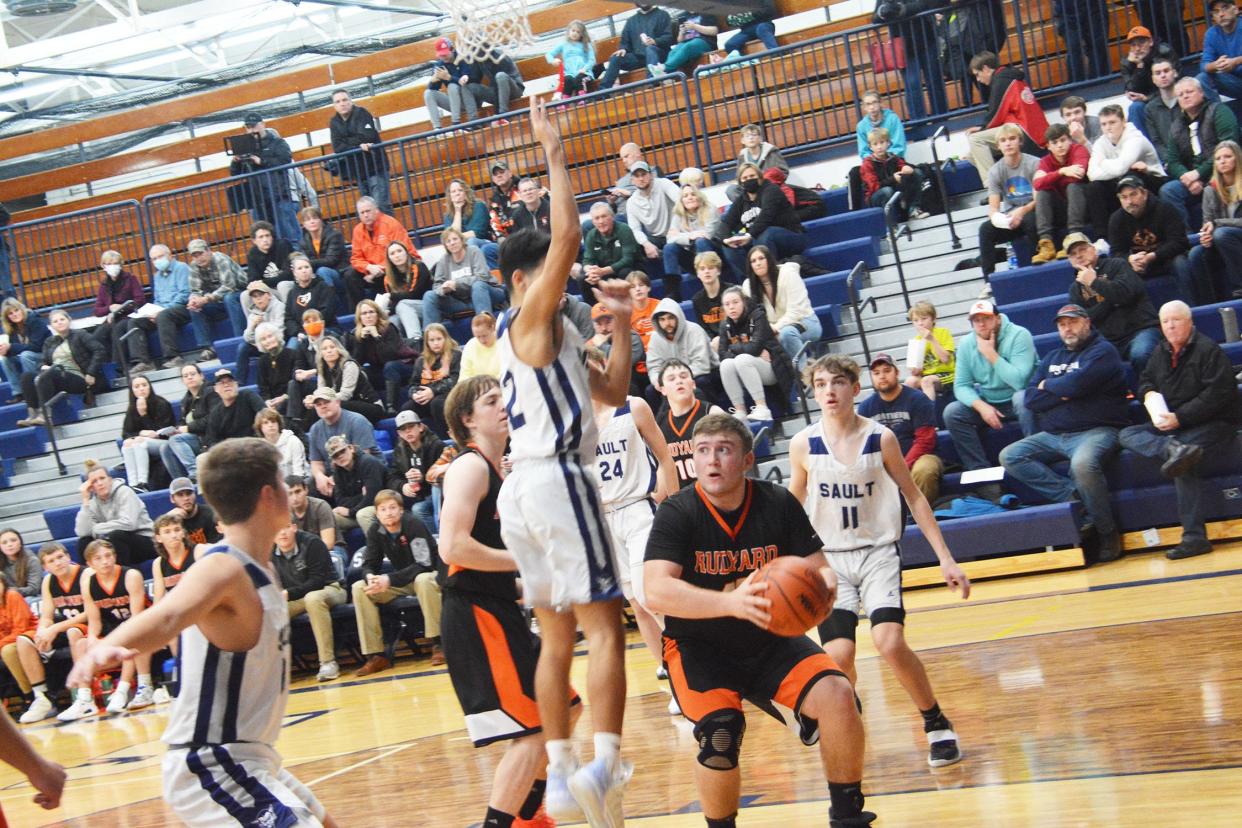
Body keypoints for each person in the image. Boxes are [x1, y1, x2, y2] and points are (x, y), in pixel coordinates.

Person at [66, 438, 340, 827]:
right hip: (212, 759)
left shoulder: (260, 566)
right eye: (282, 482)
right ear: (268, 495)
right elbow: (167, 615)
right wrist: (105, 647)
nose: (289, 490)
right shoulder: (224, 567)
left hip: (248, 757)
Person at [495, 99, 637, 823]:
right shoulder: (527, 316)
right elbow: (569, 235)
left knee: (557, 635)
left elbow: (613, 389)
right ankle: (604, 763)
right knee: (605, 627)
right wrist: (552, 151)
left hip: (526, 489)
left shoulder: (544, 345)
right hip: (555, 478)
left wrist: (622, 323)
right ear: (523, 281)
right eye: (544, 272)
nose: (560, 281)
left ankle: (558, 773)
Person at [644, 412, 876, 828]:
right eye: (702, 451)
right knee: (720, 733)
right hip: (699, 647)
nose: (712, 460)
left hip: (770, 638)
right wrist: (730, 604)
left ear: (748, 460)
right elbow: (655, 591)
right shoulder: (678, 512)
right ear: (692, 460)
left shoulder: (776, 501)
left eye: (724, 450)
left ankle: (848, 817)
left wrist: (822, 589)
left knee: (839, 696)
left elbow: (820, 568)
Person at [791, 354, 969, 770]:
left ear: (855, 388)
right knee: (837, 656)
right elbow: (792, 506)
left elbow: (914, 497)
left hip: (877, 553)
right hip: (830, 560)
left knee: (888, 641)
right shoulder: (804, 444)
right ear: (813, 392)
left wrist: (946, 559)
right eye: (820, 384)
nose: (829, 391)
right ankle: (845, 711)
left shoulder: (881, 438)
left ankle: (936, 722)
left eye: (837, 382)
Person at [438, 375, 577, 827]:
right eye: (491, 401)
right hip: (474, 615)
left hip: (497, 607)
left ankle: (528, 815)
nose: (504, 406)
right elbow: (453, 549)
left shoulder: (505, 472)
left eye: (504, 398)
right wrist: (525, 559)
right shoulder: (470, 467)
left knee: (566, 706)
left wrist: (535, 582)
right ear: (467, 420)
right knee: (535, 729)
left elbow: (492, 563)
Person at [1001, 304, 1130, 563]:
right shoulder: (1052, 358)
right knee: (1010, 456)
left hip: (1098, 430)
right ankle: (1073, 497)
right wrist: (1065, 391)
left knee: (1083, 464)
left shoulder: (1103, 351)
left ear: (1087, 322)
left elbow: (1077, 384)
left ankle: (1107, 532)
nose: (1066, 328)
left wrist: (1050, 386)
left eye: (1071, 322)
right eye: (1061, 324)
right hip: (1055, 435)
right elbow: (1032, 399)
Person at [1119, 300, 1242, 559]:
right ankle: (1172, 449)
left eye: (1176, 320)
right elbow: (1145, 380)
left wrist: (1180, 418)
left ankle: (1195, 538)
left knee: (1185, 462)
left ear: (1189, 322)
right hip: (1174, 427)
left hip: (1214, 423)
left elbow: (1218, 395)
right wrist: (1150, 393)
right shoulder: (1160, 352)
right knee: (1126, 434)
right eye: (1165, 322)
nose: (1171, 325)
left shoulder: (1208, 350)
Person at [586, 350, 678, 680]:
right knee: (637, 604)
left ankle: (691, 660)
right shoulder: (572, 421)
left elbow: (665, 457)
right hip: (602, 520)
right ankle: (670, 671)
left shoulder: (632, 405)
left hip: (639, 508)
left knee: (650, 595)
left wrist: (673, 502)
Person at [944, 300, 1037, 498]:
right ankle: (983, 477)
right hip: (990, 402)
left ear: (997, 318)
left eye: (985, 318)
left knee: (1022, 398)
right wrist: (980, 406)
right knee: (953, 412)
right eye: (976, 320)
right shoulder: (968, 344)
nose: (981, 324)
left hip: (1023, 398)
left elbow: (1019, 382)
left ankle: (1035, 458)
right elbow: (960, 386)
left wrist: (990, 354)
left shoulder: (1019, 335)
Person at [353, 489, 443, 675]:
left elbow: (424, 563)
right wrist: (370, 576)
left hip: (428, 575)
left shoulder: (413, 524)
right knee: (360, 588)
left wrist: (389, 579)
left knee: (424, 580)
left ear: (401, 510)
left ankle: (439, 643)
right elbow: (369, 563)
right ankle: (376, 655)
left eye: (392, 507)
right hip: (402, 581)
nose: (389, 513)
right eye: (383, 509)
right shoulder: (375, 530)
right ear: (377, 513)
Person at [1063, 232, 1161, 377]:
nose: (1079, 255)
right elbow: (1086, 320)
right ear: (1070, 260)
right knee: (1085, 364)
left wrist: (1094, 282)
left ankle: (1153, 394)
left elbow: (1125, 295)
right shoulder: (1075, 289)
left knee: (1141, 353)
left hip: (1140, 330)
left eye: (1082, 249)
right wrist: (1112, 301)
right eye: (1073, 253)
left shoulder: (1118, 265)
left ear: (1093, 249)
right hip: (1108, 341)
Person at [77, 539, 156, 713]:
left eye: (108, 556)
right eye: (98, 558)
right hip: (112, 626)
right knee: (81, 644)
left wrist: (115, 639)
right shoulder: (88, 584)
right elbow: (94, 620)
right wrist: (91, 638)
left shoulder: (131, 575)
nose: (105, 561)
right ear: (89, 564)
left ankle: (126, 690)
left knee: (132, 638)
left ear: (115, 557)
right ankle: (84, 698)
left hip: (141, 624)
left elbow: (136, 618)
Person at [10, 544, 87, 723]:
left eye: (60, 557)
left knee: (73, 632)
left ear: (68, 556)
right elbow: (46, 616)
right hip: (66, 626)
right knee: (24, 640)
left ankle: (84, 696)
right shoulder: (48, 581)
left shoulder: (85, 575)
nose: (58, 563)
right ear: (45, 567)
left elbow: (90, 613)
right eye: (51, 561)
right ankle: (42, 697)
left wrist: (53, 629)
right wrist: (43, 632)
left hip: (90, 624)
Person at [857, 353, 944, 504]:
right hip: (884, 464)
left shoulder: (917, 399)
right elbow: (865, 447)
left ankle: (917, 516)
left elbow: (925, 441)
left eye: (886, 371)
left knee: (925, 469)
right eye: (876, 373)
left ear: (897, 373)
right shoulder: (865, 408)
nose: (882, 376)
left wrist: (902, 467)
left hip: (921, 458)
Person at [1160, 76, 1240, 229]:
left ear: (1201, 93)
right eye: (1181, 95)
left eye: (1189, 91)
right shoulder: (1176, 125)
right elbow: (1172, 161)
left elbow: (1230, 147)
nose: (1185, 96)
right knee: (1168, 191)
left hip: (1223, 172)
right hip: (1192, 179)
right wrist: (1187, 178)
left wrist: (1198, 173)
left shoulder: (1219, 111)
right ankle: (1188, 239)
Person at [273, 521, 346, 682]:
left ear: (293, 527)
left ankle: (328, 663)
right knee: (268, 612)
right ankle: (274, 672)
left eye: (285, 527)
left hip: (331, 588)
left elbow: (317, 582)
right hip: (297, 597)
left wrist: (287, 593)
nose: (282, 533)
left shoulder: (312, 543)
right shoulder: (268, 552)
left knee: (313, 598)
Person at [964, 52, 1049, 183]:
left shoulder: (1001, 81)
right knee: (971, 155)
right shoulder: (1008, 77)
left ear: (986, 69)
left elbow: (996, 115)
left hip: (1027, 133)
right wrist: (982, 128)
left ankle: (993, 188)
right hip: (1032, 130)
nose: (978, 80)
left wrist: (982, 129)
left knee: (975, 140)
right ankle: (1005, 184)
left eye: (977, 74)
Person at [1086, 104, 1167, 241]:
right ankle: (1103, 239)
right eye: (1104, 124)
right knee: (1094, 187)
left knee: (1131, 176)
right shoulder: (1101, 142)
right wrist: (1117, 166)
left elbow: (1120, 168)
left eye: (1112, 122)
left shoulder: (1135, 138)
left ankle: (1146, 232)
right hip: (1122, 182)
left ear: (1123, 122)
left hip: (1153, 180)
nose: (1108, 127)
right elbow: (1092, 174)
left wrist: (1103, 162)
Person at [716, 286, 795, 422]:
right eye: (727, 304)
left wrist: (733, 348)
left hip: (771, 367)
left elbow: (754, 348)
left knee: (742, 359)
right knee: (726, 365)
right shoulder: (725, 324)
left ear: (744, 302)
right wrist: (743, 350)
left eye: (735, 302)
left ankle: (762, 408)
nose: (731, 307)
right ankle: (740, 410)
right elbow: (722, 354)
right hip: (747, 367)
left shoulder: (758, 316)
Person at [15, 309, 104, 428]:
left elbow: (99, 350)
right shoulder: (49, 341)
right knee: (27, 376)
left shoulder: (80, 335)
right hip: (57, 377)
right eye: (55, 321)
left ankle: (45, 415)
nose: (59, 322)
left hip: (79, 378)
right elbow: (44, 361)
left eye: (62, 319)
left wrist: (91, 372)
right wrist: (42, 366)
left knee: (51, 373)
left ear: (69, 320)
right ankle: (32, 414)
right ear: (51, 325)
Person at [1108, 175, 1193, 301]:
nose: (1129, 201)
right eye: (1124, 197)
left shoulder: (1165, 208)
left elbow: (1180, 242)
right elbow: (1116, 253)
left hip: (1166, 259)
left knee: (1180, 262)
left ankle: (1193, 306)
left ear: (1145, 193)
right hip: (1138, 264)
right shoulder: (1116, 219)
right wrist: (1130, 259)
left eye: (1133, 194)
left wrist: (1152, 256)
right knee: (1118, 275)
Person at [974, 124, 1040, 283]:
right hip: (1012, 218)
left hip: (1034, 213)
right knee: (985, 229)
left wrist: (1021, 212)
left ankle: (1037, 269)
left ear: (1020, 141)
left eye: (1012, 139)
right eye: (1003, 140)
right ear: (998, 146)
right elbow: (993, 208)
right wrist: (1003, 220)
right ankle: (989, 281)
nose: (1008, 143)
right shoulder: (995, 171)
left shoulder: (1035, 163)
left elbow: (1039, 200)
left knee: (1031, 220)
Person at [717, 162, 806, 278]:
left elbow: (766, 216)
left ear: (760, 177)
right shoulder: (741, 200)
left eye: (752, 176)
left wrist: (749, 235)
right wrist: (726, 240)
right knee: (730, 247)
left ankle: (771, 277)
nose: (749, 180)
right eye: (745, 178)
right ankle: (751, 281)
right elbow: (726, 223)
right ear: (740, 182)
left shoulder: (771, 190)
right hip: (757, 240)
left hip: (791, 236)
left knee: (765, 233)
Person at [229, 113, 301, 244]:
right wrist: (236, 161)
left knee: (290, 236)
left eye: (254, 126)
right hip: (257, 200)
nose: (252, 130)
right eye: (249, 127)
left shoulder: (277, 142)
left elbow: (285, 160)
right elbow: (235, 173)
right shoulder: (245, 147)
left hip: (279, 195)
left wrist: (262, 161)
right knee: (265, 239)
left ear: (262, 125)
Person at [740, 246, 821, 362]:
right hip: (772, 332)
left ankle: (803, 375)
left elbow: (796, 312)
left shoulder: (788, 273)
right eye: (753, 261)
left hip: (804, 321)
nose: (758, 263)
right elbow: (753, 318)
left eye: (761, 258)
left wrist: (776, 329)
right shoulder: (748, 286)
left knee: (786, 333)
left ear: (769, 259)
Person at [654, 360, 726, 488]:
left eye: (683, 376)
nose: (679, 381)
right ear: (663, 390)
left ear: (693, 384)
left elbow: (732, 459)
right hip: (681, 500)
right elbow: (662, 470)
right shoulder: (659, 425)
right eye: (671, 379)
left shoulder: (712, 414)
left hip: (716, 491)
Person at [874, 0, 949, 119]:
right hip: (904, 48)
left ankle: (942, 118)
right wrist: (883, 11)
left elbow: (927, 4)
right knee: (912, 85)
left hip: (926, 39)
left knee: (934, 81)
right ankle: (919, 123)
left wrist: (901, 10)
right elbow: (875, 18)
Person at [1189, 139, 1242, 303]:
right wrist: (1206, 237)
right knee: (1196, 254)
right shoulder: (1210, 190)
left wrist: (1218, 224)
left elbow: (1217, 224)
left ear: (1237, 159)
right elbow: (1208, 223)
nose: (1223, 161)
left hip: (1235, 238)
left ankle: (1239, 288)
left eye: (1227, 156)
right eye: (1218, 158)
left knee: (1221, 234)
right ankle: (1211, 303)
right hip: (1223, 241)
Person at [1030, 122, 1090, 263]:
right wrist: (1062, 171)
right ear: (1048, 146)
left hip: (1083, 206)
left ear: (1069, 140)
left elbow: (1079, 173)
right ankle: (1046, 244)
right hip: (1061, 209)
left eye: (1063, 140)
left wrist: (1051, 177)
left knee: (1073, 186)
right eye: (1055, 142)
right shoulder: (1046, 161)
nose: (1060, 145)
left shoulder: (1079, 150)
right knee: (1043, 192)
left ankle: (1073, 238)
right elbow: (1037, 184)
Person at [307, 387, 379, 498]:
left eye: (326, 402)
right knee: (311, 484)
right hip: (338, 476)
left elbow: (364, 458)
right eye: (318, 404)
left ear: (337, 402)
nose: (323, 406)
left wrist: (336, 479)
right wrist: (319, 476)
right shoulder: (315, 429)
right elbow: (316, 463)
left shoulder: (357, 421)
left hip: (363, 473)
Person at [625, 161, 683, 299]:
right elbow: (634, 230)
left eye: (643, 174)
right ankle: (642, 291)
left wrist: (675, 227)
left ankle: (673, 294)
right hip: (654, 238)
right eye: (637, 176)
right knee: (635, 247)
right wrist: (646, 244)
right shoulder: (632, 202)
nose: (641, 178)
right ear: (632, 180)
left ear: (650, 175)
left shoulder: (663, 184)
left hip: (676, 233)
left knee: (670, 249)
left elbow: (681, 202)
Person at [91, 250, 154, 373]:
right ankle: (103, 369)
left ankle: (119, 367)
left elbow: (139, 300)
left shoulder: (130, 279)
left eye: (115, 263)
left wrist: (120, 308)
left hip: (129, 316)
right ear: (103, 266)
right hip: (113, 318)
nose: (112, 266)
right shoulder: (104, 285)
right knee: (97, 336)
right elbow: (97, 310)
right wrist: (110, 308)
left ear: (120, 264)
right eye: (109, 263)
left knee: (117, 329)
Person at [329, 88, 391, 215]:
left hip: (376, 168)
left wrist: (347, 142)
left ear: (351, 100)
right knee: (367, 212)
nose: (342, 103)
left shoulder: (362, 113)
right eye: (338, 101)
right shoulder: (334, 122)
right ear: (334, 105)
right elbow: (337, 147)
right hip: (358, 172)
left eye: (345, 99)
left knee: (381, 208)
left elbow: (367, 136)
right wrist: (358, 145)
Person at [425, 228, 506, 325]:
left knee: (478, 285)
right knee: (429, 295)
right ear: (445, 245)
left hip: (487, 293)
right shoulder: (443, 260)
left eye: (455, 239)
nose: (452, 243)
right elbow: (436, 286)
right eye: (448, 241)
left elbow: (483, 276)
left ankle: (485, 326)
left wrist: (457, 284)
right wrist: (443, 290)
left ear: (462, 240)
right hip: (460, 301)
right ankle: (429, 335)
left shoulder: (473, 251)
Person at [645, 296, 717, 405]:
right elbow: (654, 367)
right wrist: (659, 381)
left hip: (706, 373)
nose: (667, 323)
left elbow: (702, 365)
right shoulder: (655, 338)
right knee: (651, 390)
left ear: (678, 317)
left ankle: (710, 414)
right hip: (674, 380)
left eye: (670, 318)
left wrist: (678, 378)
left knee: (701, 382)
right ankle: (663, 421)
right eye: (662, 319)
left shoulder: (694, 330)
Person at [386, 409, 448, 534]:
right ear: (399, 433)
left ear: (420, 427)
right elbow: (391, 476)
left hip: (437, 493)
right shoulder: (399, 451)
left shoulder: (436, 445)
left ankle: (436, 538)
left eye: (411, 426)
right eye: (403, 429)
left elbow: (445, 475)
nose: (408, 431)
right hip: (416, 495)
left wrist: (423, 477)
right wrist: (403, 486)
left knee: (418, 509)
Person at [349, 196, 414, 307]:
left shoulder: (391, 224)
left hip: (392, 268)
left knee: (385, 276)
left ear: (376, 210)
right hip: (371, 271)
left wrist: (379, 269)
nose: (365, 215)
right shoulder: (357, 230)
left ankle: (387, 307)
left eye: (368, 211)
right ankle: (358, 310)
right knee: (349, 275)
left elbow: (401, 253)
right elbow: (355, 258)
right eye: (362, 212)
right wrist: (368, 267)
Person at [160, 362, 219, 485]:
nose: (189, 377)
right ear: (182, 380)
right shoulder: (185, 400)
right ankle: (180, 482)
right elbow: (183, 422)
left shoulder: (211, 392)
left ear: (201, 376)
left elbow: (214, 419)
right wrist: (176, 430)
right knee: (165, 447)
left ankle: (195, 474)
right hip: (193, 437)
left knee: (176, 440)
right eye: (185, 376)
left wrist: (188, 428)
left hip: (208, 437)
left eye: (192, 374)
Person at [399, 323, 461, 434]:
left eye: (439, 339)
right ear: (427, 343)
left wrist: (433, 391)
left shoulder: (455, 355)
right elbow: (413, 384)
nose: (436, 343)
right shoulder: (421, 360)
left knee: (437, 404)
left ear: (446, 339)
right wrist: (415, 394)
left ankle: (448, 437)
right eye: (431, 340)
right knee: (407, 408)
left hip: (449, 395)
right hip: (426, 397)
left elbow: (455, 380)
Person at [861, 126, 929, 225]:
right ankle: (891, 225)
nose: (879, 147)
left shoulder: (892, 157)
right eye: (875, 144)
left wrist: (907, 168)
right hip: (875, 197)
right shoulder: (867, 163)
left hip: (894, 190)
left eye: (882, 142)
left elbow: (902, 165)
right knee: (887, 191)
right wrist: (893, 179)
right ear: (870, 147)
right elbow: (874, 187)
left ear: (888, 143)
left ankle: (913, 209)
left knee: (916, 173)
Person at [120, 373, 176, 492]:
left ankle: (142, 482)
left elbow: (163, 431)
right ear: (132, 391)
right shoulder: (132, 408)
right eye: (137, 387)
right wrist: (141, 432)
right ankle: (133, 484)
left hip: (165, 443)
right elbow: (126, 433)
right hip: (144, 442)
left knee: (139, 442)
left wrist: (144, 415)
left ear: (149, 387)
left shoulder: (161, 403)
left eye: (144, 385)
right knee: (127, 443)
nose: (141, 389)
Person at [598, 3, 675, 89]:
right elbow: (625, 42)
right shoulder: (631, 21)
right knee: (616, 57)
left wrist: (655, 41)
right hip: (639, 58)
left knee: (650, 49)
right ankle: (603, 91)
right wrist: (623, 49)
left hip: (660, 55)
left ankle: (652, 82)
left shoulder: (663, 15)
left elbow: (668, 37)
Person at [185, 238, 248, 341]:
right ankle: (206, 348)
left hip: (241, 293)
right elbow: (195, 290)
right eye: (195, 256)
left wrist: (205, 299)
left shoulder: (221, 260)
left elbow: (229, 287)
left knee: (229, 298)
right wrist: (194, 299)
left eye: (201, 254)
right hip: (217, 300)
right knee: (195, 307)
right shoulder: (193, 266)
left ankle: (240, 339)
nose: (199, 258)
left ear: (209, 251)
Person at [324, 435, 386, 535]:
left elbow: (373, 498)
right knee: (331, 516)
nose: (340, 456)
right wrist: (362, 496)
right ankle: (339, 550)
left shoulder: (368, 462)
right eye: (335, 455)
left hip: (381, 507)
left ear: (351, 448)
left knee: (363, 514)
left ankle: (379, 548)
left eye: (342, 451)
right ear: (333, 460)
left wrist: (350, 512)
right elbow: (340, 501)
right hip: (358, 510)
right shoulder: (337, 472)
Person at [663, 184, 719, 292]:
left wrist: (679, 236)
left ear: (699, 196)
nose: (690, 197)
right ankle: (673, 293)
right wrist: (690, 236)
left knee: (701, 242)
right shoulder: (679, 215)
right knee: (669, 248)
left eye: (693, 194)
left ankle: (711, 287)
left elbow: (708, 235)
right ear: (681, 200)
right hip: (693, 258)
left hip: (714, 255)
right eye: (685, 196)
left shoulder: (710, 209)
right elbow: (669, 239)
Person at [1120, 25, 1179, 129]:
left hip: (1170, 95)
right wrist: (1139, 66)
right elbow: (1132, 90)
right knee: (1135, 107)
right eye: (1133, 45)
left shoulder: (1165, 52)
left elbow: (1176, 81)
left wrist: (1148, 98)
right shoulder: (1127, 63)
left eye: (1141, 43)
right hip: (1147, 102)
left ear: (1151, 42)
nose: (1137, 48)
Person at [582, 202, 641, 304]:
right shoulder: (591, 235)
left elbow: (628, 260)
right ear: (593, 221)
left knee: (625, 272)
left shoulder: (624, 229)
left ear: (612, 217)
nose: (601, 221)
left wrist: (603, 271)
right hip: (605, 272)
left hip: (630, 267)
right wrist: (590, 271)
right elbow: (587, 259)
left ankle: (631, 307)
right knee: (583, 278)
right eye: (597, 218)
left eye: (604, 216)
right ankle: (594, 311)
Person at [345, 299, 404, 392]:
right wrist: (362, 341)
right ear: (359, 318)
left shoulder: (389, 328)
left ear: (378, 314)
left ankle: (391, 406)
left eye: (371, 312)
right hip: (379, 370)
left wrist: (377, 337)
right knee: (359, 373)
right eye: (364, 313)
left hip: (398, 367)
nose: (368, 316)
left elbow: (390, 356)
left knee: (389, 366)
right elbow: (357, 362)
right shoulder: (356, 333)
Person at [300, 206, 350, 314]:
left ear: (320, 220)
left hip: (340, 274)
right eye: (308, 219)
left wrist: (308, 264)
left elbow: (331, 260)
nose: (312, 221)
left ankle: (331, 309)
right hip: (318, 276)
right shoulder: (304, 241)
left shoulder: (334, 235)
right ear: (304, 224)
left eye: (314, 218)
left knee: (323, 271)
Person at [904, 300, 955, 401]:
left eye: (924, 319)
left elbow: (946, 359)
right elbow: (915, 372)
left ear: (933, 318)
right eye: (916, 320)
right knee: (909, 381)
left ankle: (928, 414)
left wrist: (931, 339)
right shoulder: (916, 340)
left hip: (947, 374)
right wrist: (915, 370)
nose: (920, 323)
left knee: (926, 381)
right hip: (926, 375)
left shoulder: (943, 332)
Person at [236, 282, 286, 386]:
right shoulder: (254, 312)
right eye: (255, 297)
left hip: (279, 343)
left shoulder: (279, 307)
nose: (258, 299)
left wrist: (263, 326)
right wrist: (252, 326)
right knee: (243, 347)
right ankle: (240, 382)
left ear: (269, 295)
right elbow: (247, 337)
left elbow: (279, 331)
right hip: (263, 344)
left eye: (261, 295)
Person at [444, 178, 501, 270]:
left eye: (460, 190)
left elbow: (478, 233)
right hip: (462, 247)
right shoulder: (448, 215)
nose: (457, 193)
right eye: (453, 192)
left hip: (484, 242)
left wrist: (456, 239)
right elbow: (450, 238)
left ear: (466, 192)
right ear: (450, 196)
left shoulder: (478, 206)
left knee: (471, 242)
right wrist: (458, 211)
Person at [383, 239, 432, 344]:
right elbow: (395, 303)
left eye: (399, 251)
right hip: (406, 311)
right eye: (392, 253)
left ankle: (416, 341)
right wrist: (387, 312)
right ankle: (403, 352)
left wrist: (391, 296)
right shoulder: (388, 278)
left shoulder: (419, 266)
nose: (397, 255)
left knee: (403, 304)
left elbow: (415, 294)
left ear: (406, 252)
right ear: (389, 258)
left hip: (427, 307)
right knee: (391, 321)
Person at [425, 37, 480, 130]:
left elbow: (466, 82)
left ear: (452, 49)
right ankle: (437, 129)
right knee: (428, 93)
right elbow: (433, 89)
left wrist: (449, 78)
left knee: (452, 86)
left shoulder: (462, 58)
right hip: (455, 103)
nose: (443, 57)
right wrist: (433, 81)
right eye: (441, 55)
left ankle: (456, 124)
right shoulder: (439, 65)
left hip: (470, 101)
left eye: (445, 54)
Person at [284, 253, 339, 344]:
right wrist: (298, 332)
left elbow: (327, 313)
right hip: (300, 335)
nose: (304, 270)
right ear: (294, 273)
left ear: (311, 269)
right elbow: (288, 318)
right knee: (292, 349)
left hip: (325, 330)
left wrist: (309, 330)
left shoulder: (323, 287)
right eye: (300, 268)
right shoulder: (292, 293)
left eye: (306, 267)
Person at [0, 299, 49, 399]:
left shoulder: (34, 320)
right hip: (29, 357)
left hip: (45, 355)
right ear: (7, 317)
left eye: (16, 310)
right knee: (5, 359)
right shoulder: (12, 328)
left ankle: (33, 390)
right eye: (10, 313)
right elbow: (15, 350)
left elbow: (37, 346)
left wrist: (11, 347)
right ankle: (19, 393)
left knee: (26, 355)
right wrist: (6, 351)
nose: (14, 314)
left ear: (22, 309)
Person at [1198, 0, 1242, 101]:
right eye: (1216, 11)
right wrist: (1216, 65)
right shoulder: (1212, 34)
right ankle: (1219, 114)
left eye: (1225, 8)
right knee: (1202, 78)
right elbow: (1204, 65)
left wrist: (1236, 61)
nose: (1221, 14)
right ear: (1213, 17)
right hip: (1235, 82)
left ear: (1235, 10)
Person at [288, 475, 339, 557]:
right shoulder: (284, 512)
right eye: (289, 494)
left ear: (306, 490)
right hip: (301, 554)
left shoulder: (321, 506)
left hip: (332, 550)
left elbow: (328, 544)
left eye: (298, 491)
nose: (294, 498)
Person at [151, 513, 198, 604]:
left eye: (177, 530)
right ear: (158, 538)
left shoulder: (198, 551)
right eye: (167, 532)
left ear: (183, 533)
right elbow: (158, 602)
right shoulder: (158, 564)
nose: (173, 535)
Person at [166, 476, 222, 550]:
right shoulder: (171, 519)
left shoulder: (210, 514)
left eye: (189, 493)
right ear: (172, 499)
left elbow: (218, 547)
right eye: (180, 495)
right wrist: (168, 519)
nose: (186, 498)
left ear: (194, 494)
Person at [658, 9, 720, 74]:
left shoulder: (705, 12)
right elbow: (679, 41)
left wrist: (694, 26)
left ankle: (665, 69)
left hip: (705, 42)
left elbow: (714, 31)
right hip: (687, 43)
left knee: (689, 46)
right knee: (673, 52)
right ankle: (669, 75)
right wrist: (682, 32)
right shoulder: (683, 15)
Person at [547, 19, 597, 98]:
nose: (575, 33)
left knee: (579, 79)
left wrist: (585, 68)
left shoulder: (586, 45)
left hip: (584, 73)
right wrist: (552, 60)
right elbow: (549, 54)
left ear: (581, 34)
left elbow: (592, 60)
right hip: (569, 73)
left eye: (578, 32)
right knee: (567, 80)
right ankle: (565, 102)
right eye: (573, 30)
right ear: (569, 31)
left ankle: (582, 98)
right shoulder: (564, 44)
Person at [1142, 56, 1182, 150]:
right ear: (1153, 79)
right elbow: (1155, 141)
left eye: (1166, 71)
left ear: (1175, 73)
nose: (1163, 75)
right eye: (1158, 73)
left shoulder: (1186, 99)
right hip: (1168, 160)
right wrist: (1169, 161)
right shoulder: (1150, 109)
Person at [256, 408, 308, 480]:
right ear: (260, 427)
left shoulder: (293, 441)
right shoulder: (259, 448)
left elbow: (299, 471)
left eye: (273, 422)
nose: (270, 425)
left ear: (278, 424)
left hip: (296, 483)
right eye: (266, 422)